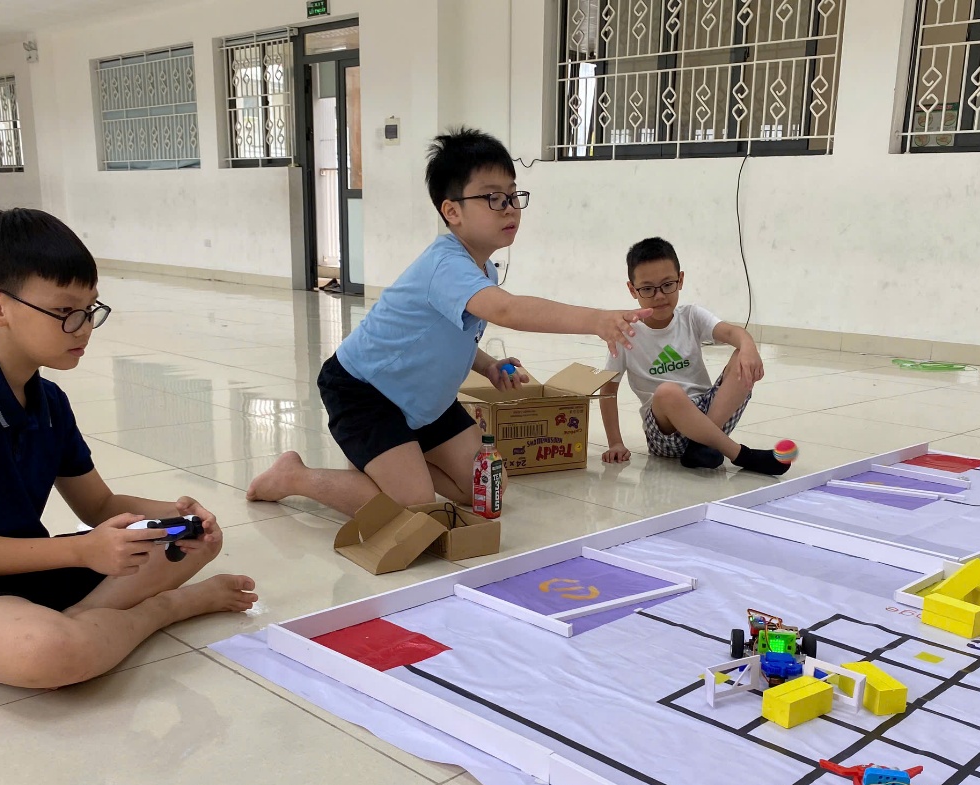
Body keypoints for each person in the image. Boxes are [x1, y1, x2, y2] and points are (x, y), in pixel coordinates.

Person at [0, 209, 257, 688]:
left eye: (91, 309)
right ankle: (162, 611)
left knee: (189, 541)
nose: (84, 327)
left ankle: (85, 619)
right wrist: (84, 551)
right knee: (47, 653)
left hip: (22, 568)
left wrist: (176, 514)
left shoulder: (47, 399)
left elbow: (98, 504)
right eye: (65, 312)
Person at [246, 128, 651, 515]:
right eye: (493, 198)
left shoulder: (484, 271)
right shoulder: (446, 265)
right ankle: (294, 476)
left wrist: (488, 365)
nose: (510, 207)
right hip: (365, 392)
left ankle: (391, 461)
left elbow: (452, 333)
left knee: (487, 488)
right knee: (413, 505)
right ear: (452, 210)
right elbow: (507, 311)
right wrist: (597, 319)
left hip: (426, 400)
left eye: (513, 196)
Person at [598, 237, 790, 475]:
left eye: (667, 284)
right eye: (647, 289)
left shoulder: (691, 316)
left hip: (710, 415)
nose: (659, 296)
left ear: (680, 280)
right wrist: (615, 442)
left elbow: (733, 333)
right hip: (665, 430)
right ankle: (741, 454)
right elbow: (608, 389)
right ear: (632, 289)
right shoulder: (625, 332)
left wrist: (749, 346)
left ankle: (702, 446)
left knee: (741, 353)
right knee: (668, 391)